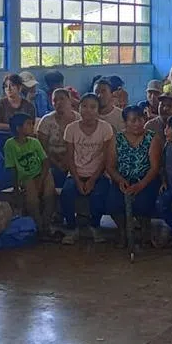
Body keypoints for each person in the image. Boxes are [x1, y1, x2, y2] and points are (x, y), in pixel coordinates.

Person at [60, 93, 115, 245]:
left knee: (98, 195)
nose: (88, 110)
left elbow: (105, 158)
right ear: (79, 108)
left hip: (98, 174)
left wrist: (92, 180)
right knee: (67, 193)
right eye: (84, 106)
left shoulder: (106, 128)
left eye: (93, 107)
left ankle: (95, 226)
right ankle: (72, 228)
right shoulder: (71, 129)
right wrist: (77, 180)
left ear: (98, 110)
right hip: (76, 173)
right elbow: (69, 157)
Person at [106, 105, 162, 245]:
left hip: (145, 180)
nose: (138, 123)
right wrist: (120, 180)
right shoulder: (117, 138)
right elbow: (110, 166)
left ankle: (145, 231)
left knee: (143, 203)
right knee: (113, 203)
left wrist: (140, 185)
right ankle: (122, 231)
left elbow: (154, 168)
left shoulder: (152, 138)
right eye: (133, 120)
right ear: (125, 122)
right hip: (122, 180)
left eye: (141, 119)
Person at [4, 112, 57, 234]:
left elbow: (45, 162)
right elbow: (12, 168)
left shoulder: (34, 142)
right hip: (26, 177)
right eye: (28, 124)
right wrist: (15, 187)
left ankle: (46, 223)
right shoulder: (10, 145)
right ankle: (38, 227)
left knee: (49, 193)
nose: (32, 126)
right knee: (32, 200)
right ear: (18, 128)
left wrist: (41, 180)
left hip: (42, 173)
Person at [37, 88, 80, 187]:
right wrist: (56, 162)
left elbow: (81, 144)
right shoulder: (46, 121)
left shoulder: (79, 119)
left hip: (75, 160)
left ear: (70, 100)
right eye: (55, 100)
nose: (58, 102)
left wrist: (67, 160)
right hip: (51, 161)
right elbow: (42, 148)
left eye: (62, 99)